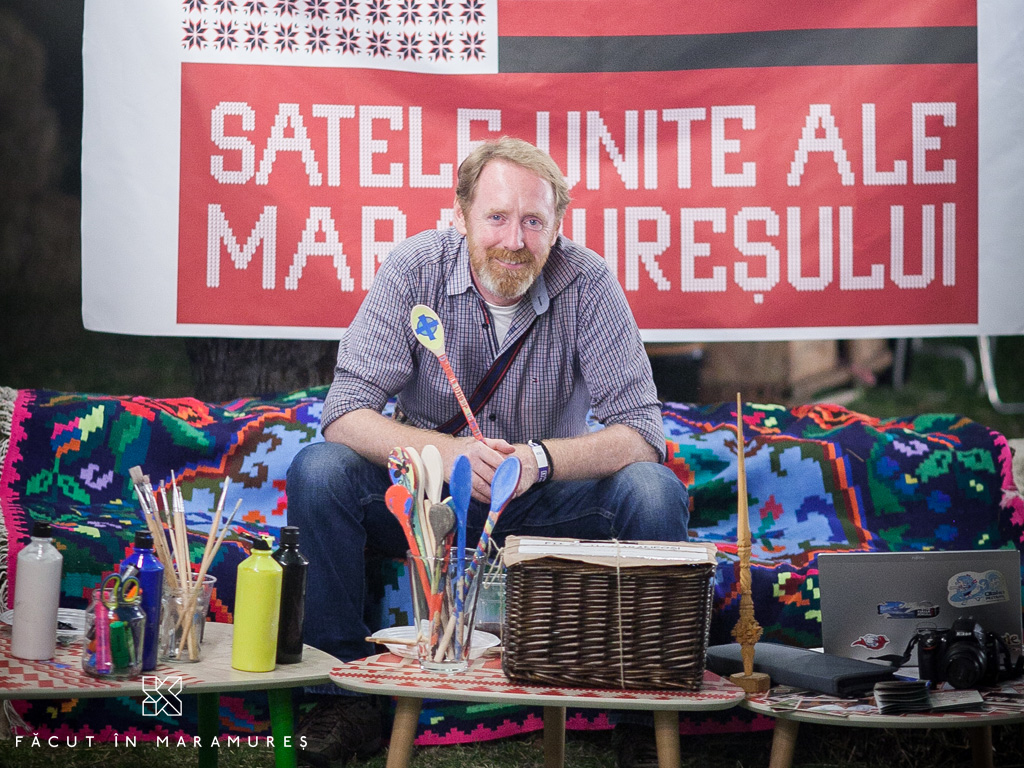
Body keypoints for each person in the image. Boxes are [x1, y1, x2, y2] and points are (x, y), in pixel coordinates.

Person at [287, 136, 689, 767]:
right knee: (319, 471)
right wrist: (447, 454)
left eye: (534, 220)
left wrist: (538, 460)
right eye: (497, 217)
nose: (514, 240)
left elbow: (642, 432)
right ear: (460, 214)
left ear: (557, 225)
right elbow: (345, 413)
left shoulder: (588, 282)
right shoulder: (414, 269)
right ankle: (344, 696)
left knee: (653, 490)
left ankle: (639, 716)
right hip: (428, 500)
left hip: (539, 500)